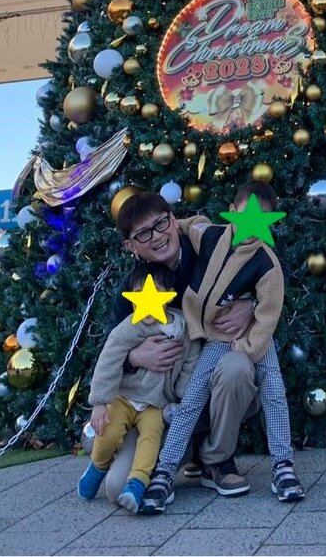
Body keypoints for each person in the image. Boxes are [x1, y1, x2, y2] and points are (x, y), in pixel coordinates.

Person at [141, 181, 304, 513]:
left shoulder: (266, 263)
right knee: (192, 399)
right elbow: (190, 224)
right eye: (246, 217)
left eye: (263, 220)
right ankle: (164, 471)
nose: (252, 228)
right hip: (214, 337)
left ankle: (283, 467)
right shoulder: (212, 236)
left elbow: (269, 312)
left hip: (253, 338)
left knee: (273, 389)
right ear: (233, 210)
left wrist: (245, 346)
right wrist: (177, 224)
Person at [105, 192, 259, 499]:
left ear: (174, 221)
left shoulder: (211, 249)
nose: (157, 236)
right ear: (130, 246)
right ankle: (187, 452)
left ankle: (217, 461)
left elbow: (269, 268)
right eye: (143, 233)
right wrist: (134, 357)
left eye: (161, 224)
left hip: (216, 381)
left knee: (237, 368)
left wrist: (252, 303)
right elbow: (110, 349)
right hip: (161, 407)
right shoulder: (132, 287)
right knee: (117, 489)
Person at [77, 265, 197, 513]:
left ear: (169, 295)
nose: (147, 299)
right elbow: (109, 358)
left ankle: (137, 484)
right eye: (139, 293)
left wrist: (182, 395)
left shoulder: (182, 329)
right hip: (124, 397)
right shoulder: (132, 327)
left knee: (150, 441)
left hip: (155, 404)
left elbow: (190, 360)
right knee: (108, 434)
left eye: (155, 292)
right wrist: (100, 402)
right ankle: (98, 466)